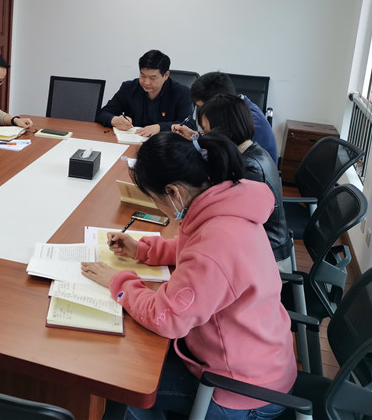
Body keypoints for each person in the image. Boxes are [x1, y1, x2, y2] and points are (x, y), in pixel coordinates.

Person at [81, 132, 296, 420]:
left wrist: (117, 282)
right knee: (137, 366)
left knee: (126, 388)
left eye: (153, 198)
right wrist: (143, 249)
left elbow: (165, 318)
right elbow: (194, 249)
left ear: (173, 192)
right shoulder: (224, 204)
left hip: (241, 390)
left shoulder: (215, 243)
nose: (157, 205)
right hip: (256, 359)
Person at [198, 94, 293, 271]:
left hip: (268, 261)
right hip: (256, 247)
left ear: (224, 129)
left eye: (206, 132)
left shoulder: (250, 168)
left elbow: (224, 215)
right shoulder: (248, 152)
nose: (204, 138)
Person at [175, 71, 278, 162]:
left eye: (202, 108)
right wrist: (196, 136)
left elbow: (224, 155)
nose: (201, 113)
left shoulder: (248, 124)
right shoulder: (238, 110)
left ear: (218, 103)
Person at [97, 49, 192, 137]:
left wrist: (160, 127)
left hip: (164, 143)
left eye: (152, 77)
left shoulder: (182, 93)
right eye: (143, 76)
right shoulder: (129, 88)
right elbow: (103, 113)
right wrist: (115, 120)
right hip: (133, 140)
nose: (146, 82)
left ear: (166, 75)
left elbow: (188, 124)